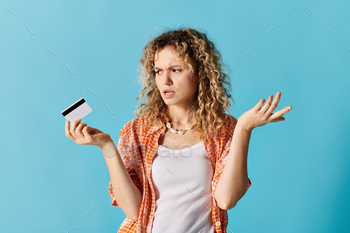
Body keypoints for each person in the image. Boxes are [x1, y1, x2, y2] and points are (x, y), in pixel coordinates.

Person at [65, 27, 292, 233]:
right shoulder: (135, 131)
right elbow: (134, 211)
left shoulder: (224, 128)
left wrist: (244, 129)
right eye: (158, 71)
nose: (165, 81)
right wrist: (107, 146)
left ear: (199, 73)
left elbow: (226, 200)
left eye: (175, 70)